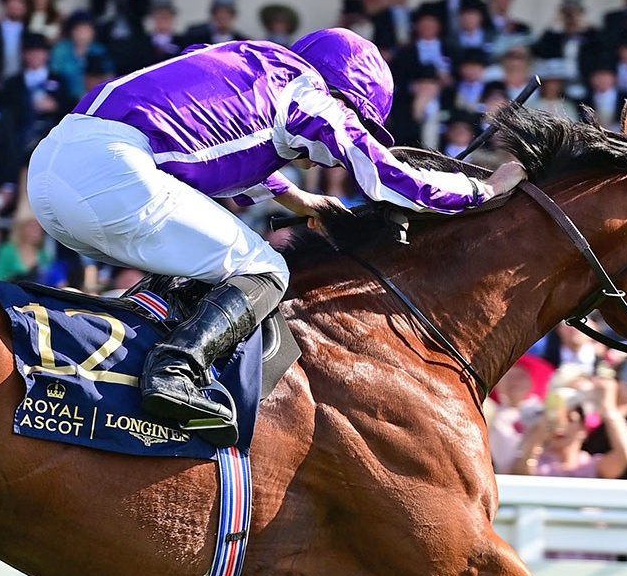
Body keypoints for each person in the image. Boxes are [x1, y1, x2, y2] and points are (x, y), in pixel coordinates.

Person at [26, 28, 518, 445]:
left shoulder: (255, 62)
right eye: (361, 122)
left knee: (201, 261)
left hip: (54, 166)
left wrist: (297, 200)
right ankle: (174, 373)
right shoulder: (314, 96)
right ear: (346, 97)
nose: (342, 138)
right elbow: (383, 175)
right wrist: (483, 188)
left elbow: (213, 140)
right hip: (112, 175)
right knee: (265, 269)